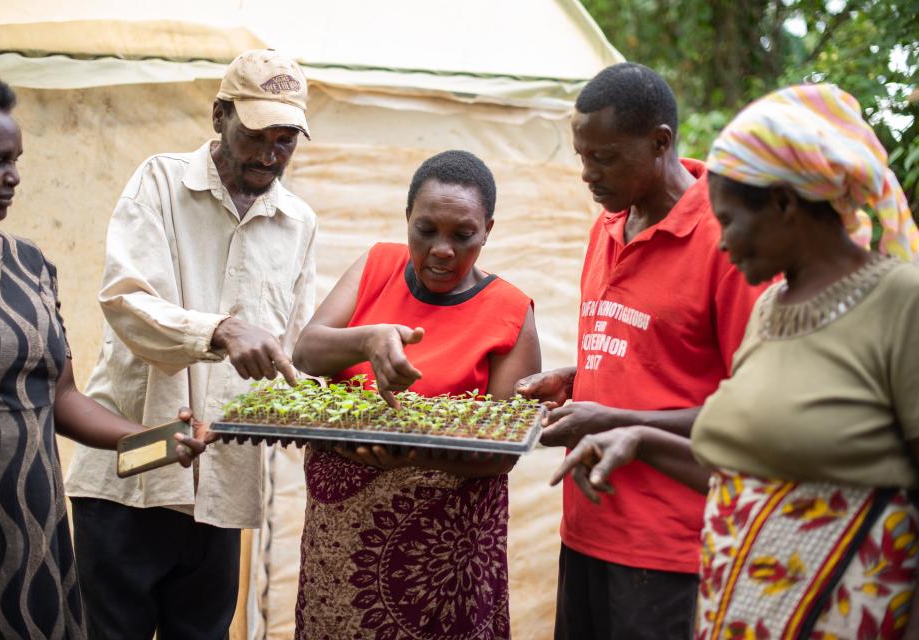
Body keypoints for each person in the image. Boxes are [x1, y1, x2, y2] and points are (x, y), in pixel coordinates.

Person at [553, 83, 919, 639]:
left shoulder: (902, 302)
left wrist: (623, 423)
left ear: (783, 204)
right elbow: (743, 469)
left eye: (729, 221)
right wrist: (638, 439)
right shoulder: (775, 308)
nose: (719, 244)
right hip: (742, 608)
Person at [63, 50, 318, 639]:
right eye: (256, 134)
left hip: (224, 485)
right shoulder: (159, 181)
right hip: (133, 473)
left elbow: (295, 349)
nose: (269, 154)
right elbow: (126, 301)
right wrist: (220, 331)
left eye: (286, 139)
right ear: (218, 115)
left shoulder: (299, 222)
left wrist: (332, 418)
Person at [514, 62, 768, 639]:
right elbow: (655, 358)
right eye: (582, 155)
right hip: (585, 528)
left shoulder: (726, 244)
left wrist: (614, 418)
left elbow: (753, 413)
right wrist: (578, 380)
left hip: (670, 549)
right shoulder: (607, 226)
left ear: (660, 143)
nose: (586, 173)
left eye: (603, 157)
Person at [0, 69, 208, 639]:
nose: (14, 176)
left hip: (31, 517)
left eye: (17, 158)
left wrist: (158, 443)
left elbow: (61, 397)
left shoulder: (28, 265)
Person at [290, 149, 541, 639]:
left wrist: (412, 452)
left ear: (488, 228)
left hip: (441, 562)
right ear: (407, 218)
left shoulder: (509, 311)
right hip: (340, 549)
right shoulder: (378, 265)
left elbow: (502, 453)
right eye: (426, 230)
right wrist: (365, 338)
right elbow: (306, 352)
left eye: (463, 235)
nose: (442, 249)